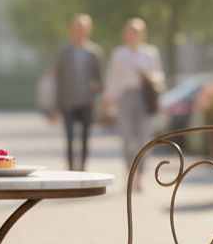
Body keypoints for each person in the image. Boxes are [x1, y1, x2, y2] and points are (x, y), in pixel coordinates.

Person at [103, 17, 164, 177]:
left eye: (136, 32)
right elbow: (112, 79)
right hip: (125, 97)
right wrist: (108, 101)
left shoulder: (150, 53)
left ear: (143, 34)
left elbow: (159, 77)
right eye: (130, 32)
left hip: (145, 97)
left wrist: (148, 76)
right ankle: (130, 171)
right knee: (128, 137)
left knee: (145, 137)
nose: (133, 35)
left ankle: (140, 174)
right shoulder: (119, 54)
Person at [52, 14, 104, 171]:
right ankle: (70, 168)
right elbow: (58, 80)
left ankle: (82, 167)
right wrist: (55, 105)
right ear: (72, 30)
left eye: (83, 28)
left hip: (87, 101)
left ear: (88, 30)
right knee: (69, 138)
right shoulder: (64, 53)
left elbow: (100, 78)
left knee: (85, 138)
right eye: (77, 28)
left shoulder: (94, 52)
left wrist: (97, 88)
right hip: (69, 101)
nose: (80, 31)